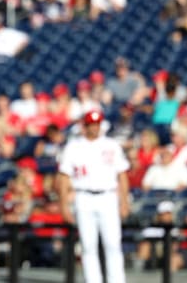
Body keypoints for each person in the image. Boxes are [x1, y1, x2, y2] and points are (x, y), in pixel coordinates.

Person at [58, 110, 129, 283]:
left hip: (107, 196)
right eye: (91, 124)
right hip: (83, 197)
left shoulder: (111, 145)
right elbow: (64, 177)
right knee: (88, 246)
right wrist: (64, 206)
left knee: (112, 243)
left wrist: (124, 201)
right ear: (85, 126)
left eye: (97, 124)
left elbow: (122, 175)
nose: (95, 127)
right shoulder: (74, 146)